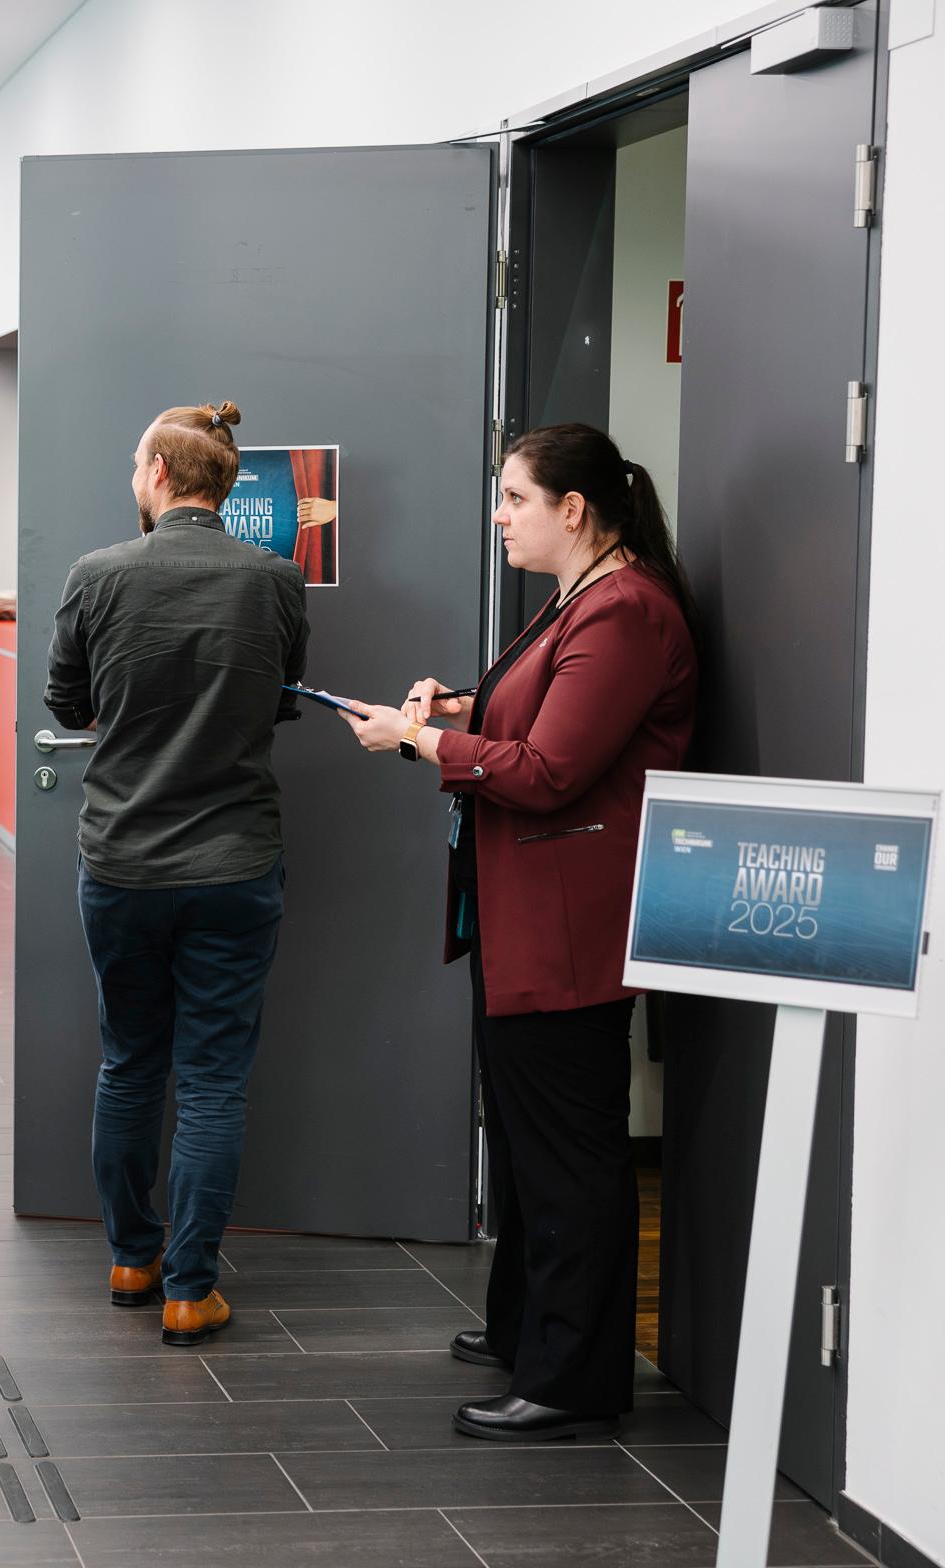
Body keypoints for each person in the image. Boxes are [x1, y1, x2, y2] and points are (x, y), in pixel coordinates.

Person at [332, 422, 698, 1441]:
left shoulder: (623, 611)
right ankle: (524, 1332)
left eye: (513, 498)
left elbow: (548, 773)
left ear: (571, 510)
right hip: (525, 907)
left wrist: (419, 740)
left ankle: (573, 1378)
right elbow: (535, 725)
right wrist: (455, 708)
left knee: (569, 1157)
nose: (499, 516)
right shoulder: (583, 600)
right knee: (532, 1141)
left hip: (570, 921)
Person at [44, 401, 308, 1347]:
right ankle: (192, 1289)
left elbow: (66, 700)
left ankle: (131, 1255)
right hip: (236, 859)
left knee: (129, 1062)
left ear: (158, 471)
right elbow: (281, 703)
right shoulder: (276, 579)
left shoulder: (98, 574)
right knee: (212, 1081)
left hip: (122, 859)